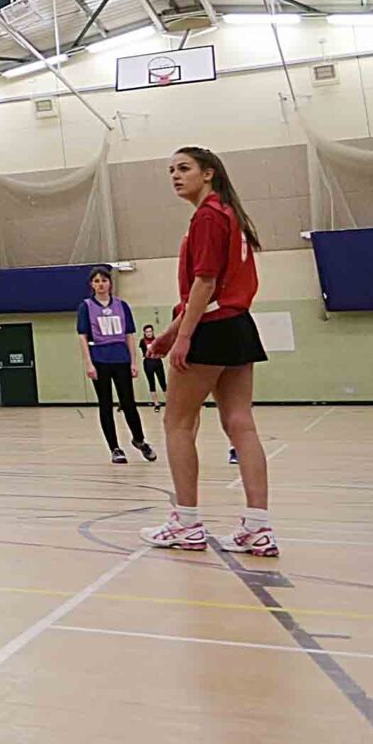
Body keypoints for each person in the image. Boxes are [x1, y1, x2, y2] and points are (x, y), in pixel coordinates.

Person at [142, 147, 276, 556]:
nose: (175, 176)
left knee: (178, 423)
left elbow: (204, 284)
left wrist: (183, 337)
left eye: (184, 169)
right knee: (241, 423)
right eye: (171, 170)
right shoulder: (230, 214)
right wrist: (169, 332)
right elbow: (218, 289)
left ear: (209, 173)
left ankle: (186, 521)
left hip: (210, 328)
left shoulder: (206, 216)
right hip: (237, 326)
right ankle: (258, 527)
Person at [76, 269, 153, 464]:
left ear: (110, 283)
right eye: (96, 281)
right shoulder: (86, 307)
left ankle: (139, 440)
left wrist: (134, 362)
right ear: (92, 285)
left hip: (121, 359)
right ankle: (115, 448)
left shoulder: (122, 306)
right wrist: (88, 363)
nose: (100, 284)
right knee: (106, 405)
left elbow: (129, 335)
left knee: (128, 403)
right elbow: (83, 337)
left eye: (104, 280)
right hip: (100, 360)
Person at [139, 324, 164, 409]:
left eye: (150, 331)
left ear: (152, 332)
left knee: (162, 382)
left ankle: (170, 402)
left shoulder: (157, 340)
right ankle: (156, 404)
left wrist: (159, 354)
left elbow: (162, 353)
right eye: (147, 332)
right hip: (148, 363)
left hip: (157, 362)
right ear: (144, 333)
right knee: (151, 383)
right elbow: (145, 354)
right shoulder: (142, 341)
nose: (148, 333)